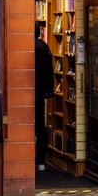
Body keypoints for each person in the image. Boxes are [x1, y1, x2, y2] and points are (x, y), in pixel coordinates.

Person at [35, 24, 55, 171]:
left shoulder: (35, 48)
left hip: (34, 92)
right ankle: (40, 161)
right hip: (41, 92)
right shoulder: (44, 47)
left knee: (36, 125)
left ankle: (40, 160)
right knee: (40, 125)